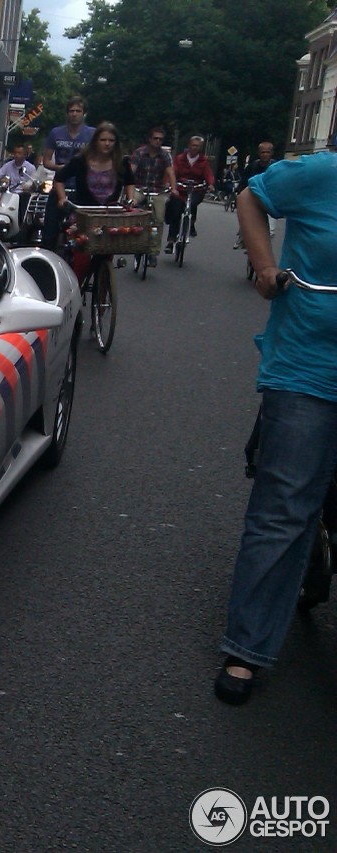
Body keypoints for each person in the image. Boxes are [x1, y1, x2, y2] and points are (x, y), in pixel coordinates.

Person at [215, 147, 337, 705]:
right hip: (310, 363)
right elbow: (251, 195)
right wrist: (266, 267)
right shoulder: (319, 173)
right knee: (285, 505)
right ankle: (248, 648)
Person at [40, 96, 95, 247]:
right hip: (60, 186)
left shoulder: (92, 134)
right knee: (49, 231)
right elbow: (46, 161)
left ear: (84, 114)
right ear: (67, 113)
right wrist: (60, 168)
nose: (74, 114)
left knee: (84, 232)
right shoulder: (56, 133)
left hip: (82, 188)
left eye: (78, 111)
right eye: (71, 111)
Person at [53, 122, 135, 209]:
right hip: (84, 213)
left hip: (112, 213)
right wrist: (62, 199)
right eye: (103, 140)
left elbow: (130, 182)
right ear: (95, 141)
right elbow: (59, 179)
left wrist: (131, 199)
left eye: (111, 140)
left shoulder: (122, 162)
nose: (107, 144)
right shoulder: (80, 161)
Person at [129, 127, 177, 267]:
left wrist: (173, 189)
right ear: (149, 139)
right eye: (155, 138)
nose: (157, 141)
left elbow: (171, 172)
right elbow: (132, 171)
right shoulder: (139, 153)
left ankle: (153, 253)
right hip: (140, 188)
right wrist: (129, 188)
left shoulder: (165, 155)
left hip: (157, 191)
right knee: (132, 208)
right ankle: (134, 240)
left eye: (160, 139)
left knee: (158, 219)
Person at [164, 135, 215, 253]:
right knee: (176, 212)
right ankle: (171, 241)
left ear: (200, 148)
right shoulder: (179, 158)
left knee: (192, 204)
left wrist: (210, 184)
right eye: (193, 145)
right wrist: (168, 183)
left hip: (196, 189)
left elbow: (208, 174)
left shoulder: (203, 161)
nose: (195, 148)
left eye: (197, 146)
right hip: (181, 189)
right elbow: (173, 171)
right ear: (188, 146)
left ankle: (191, 224)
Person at [235, 141, 277, 248]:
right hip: (254, 199)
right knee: (247, 221)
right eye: (262, 152)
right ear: (259, 153)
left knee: (271, 231)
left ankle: (264, 248)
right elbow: (244, 182)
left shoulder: (276, 167)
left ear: (271, 153)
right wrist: (240, 196)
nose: (265, 155)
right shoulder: (252, 166)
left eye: (267, 152)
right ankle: (242, 237)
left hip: (270, 201)